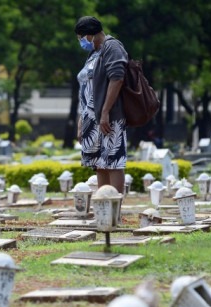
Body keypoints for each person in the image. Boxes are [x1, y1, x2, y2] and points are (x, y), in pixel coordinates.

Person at [75, 16, 128, 194]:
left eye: (81, 38)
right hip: (91, 117)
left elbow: (117, 78)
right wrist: (81, 121)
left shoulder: (112, 46)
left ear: (90, 35)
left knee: (113, 161)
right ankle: (103, 205)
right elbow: (86, 87)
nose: (81, 42)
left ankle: (115, 208)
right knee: (100, 164)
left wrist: (105, 112)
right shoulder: (93, 53)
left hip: (109, 115)